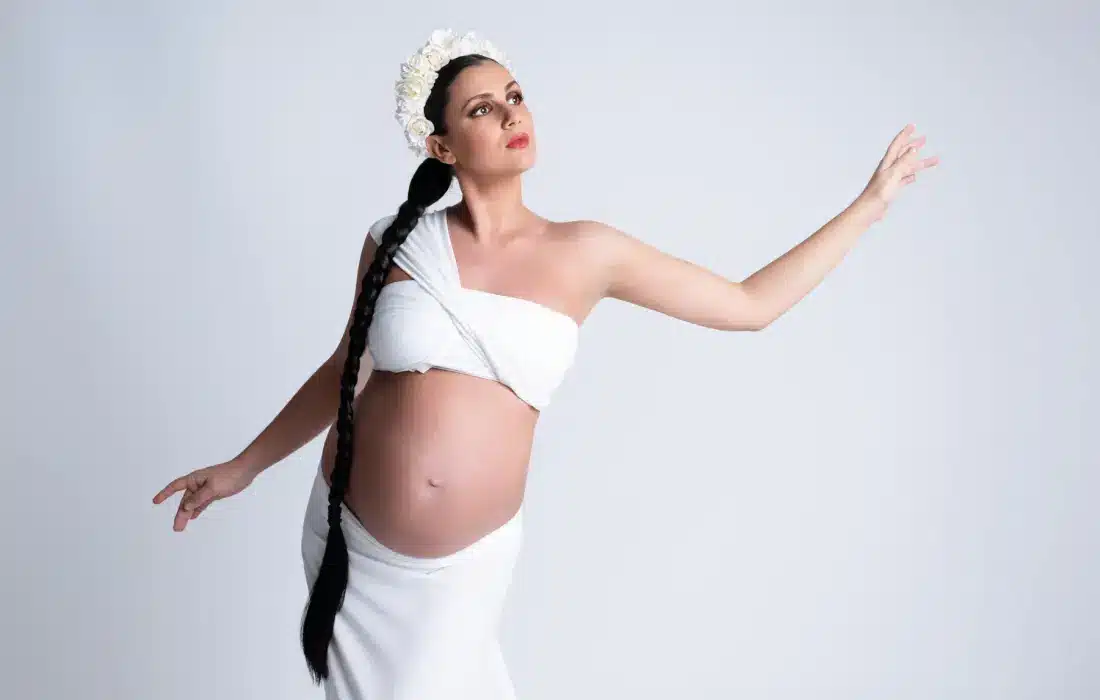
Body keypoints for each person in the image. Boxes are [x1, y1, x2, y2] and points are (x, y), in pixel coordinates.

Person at [152, 27, 938, 700]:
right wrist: (244, 466)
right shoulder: (396, 241)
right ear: (441, 146)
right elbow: (344, 369)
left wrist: (868, 206)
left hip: (461, 576)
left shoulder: (586, 251)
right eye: (481, 109)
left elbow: (749, 303)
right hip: (352, 549)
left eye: (515, 96)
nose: (511, 115)